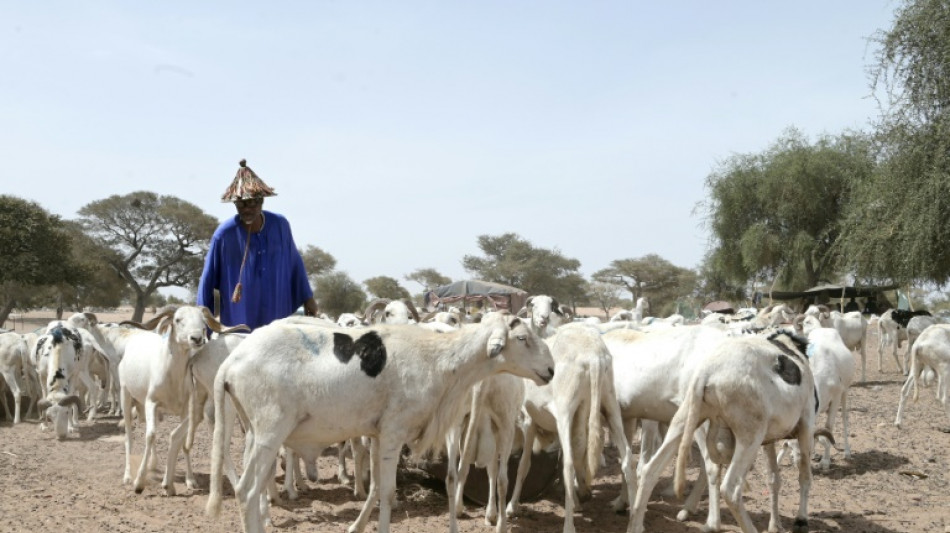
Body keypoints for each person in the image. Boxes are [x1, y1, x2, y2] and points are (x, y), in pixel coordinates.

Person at [197, 159, 318, 330]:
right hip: (241, 323)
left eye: (253, 203)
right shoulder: (224, 235)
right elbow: (207, 281)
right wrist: (205, 327)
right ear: (235, 204)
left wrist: (308, 298)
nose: (247, 209)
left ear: (262, 201)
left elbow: (295, 263)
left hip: (276, 317)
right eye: (241, 204)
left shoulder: (280, 226)